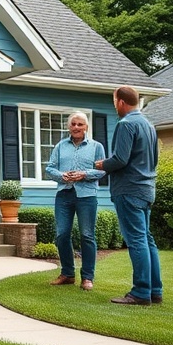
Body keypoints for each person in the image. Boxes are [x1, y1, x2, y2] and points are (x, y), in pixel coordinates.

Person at [95, 85, 163, 306]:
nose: (114, 105)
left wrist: (102, 164)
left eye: (114, 101)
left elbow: (120, 160)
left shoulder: (126, 124)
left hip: (129, 190)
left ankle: (141, 292)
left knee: (136, 240)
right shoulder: (148, 125)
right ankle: (155, 290)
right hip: (146, 189)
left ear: (121, 102)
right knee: (146, 239)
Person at [45, 112, 105, 291]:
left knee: (87, 235)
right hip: (64, 194)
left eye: (80, 124)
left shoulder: (96, 147)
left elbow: (102, 170)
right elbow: (49, 168)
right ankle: (67, 274)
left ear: (86, 127)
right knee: (62, 234)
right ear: (68, 127)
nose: (77, 127)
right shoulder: (60, 146)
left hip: (87, 195)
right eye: (73, 124)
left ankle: (87, 277)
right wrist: (61, 176)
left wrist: (84, 174)